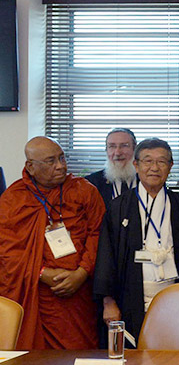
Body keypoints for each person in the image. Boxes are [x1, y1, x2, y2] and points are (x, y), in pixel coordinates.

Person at [0, 137, 105, 349]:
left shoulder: (85, 191)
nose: (61, 166)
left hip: (77, 295)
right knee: (35, 363)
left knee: (77, 356)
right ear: (30, 167)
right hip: (37, 294)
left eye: (62, 157)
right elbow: (7, 252)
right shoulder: (14, 198)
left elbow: (99, 235)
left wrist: (81, 273)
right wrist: (40, 273)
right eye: (51, 161)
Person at [94, 138, 179, 346]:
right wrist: (108, 301)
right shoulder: (118, 207)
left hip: (174, 294)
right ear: (136, 165)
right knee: (134, 360)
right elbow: (106, 256)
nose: (154, 168)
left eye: (162, 162)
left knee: (172, 356)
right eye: (147, 161)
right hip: (131, 295)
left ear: (171, 166)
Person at [85, 128, 137, 208]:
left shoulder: (147, 180)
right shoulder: (92, 183)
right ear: (106, 150)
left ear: (134, 149)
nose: (117, 152)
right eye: (112, 146)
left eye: (124, 146)